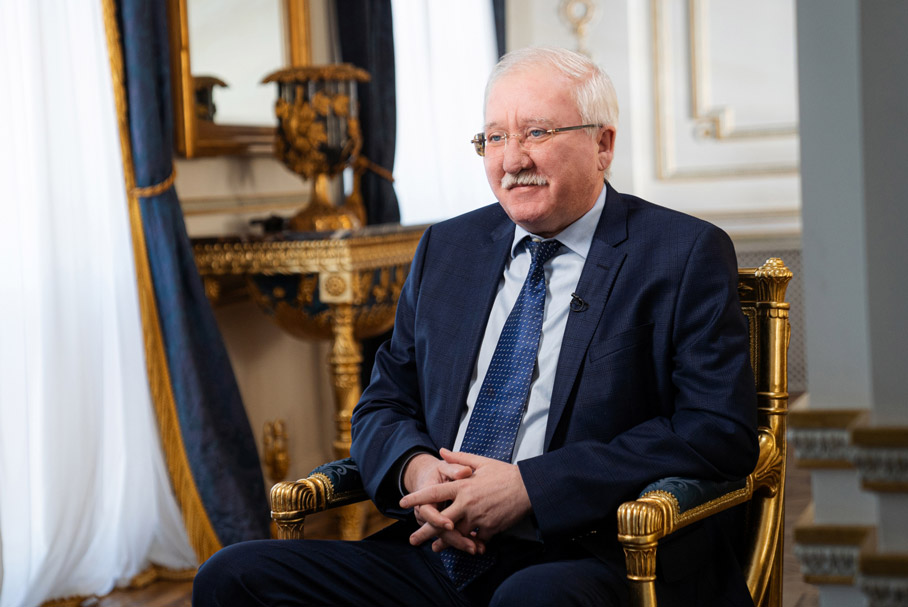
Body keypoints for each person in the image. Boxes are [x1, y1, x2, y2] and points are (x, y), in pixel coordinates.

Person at [192, 46, 758, 607]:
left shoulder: (683, 253)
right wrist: (418, 472)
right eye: (494, 138)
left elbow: (716, 430)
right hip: (438, 548)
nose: (512, 159)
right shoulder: (447, 249)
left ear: (602, 144)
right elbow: (384, 403)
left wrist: (531, 488)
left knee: (531, 599)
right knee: (232, 577)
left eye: (536, 133)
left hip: (596, 551)